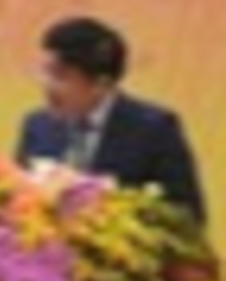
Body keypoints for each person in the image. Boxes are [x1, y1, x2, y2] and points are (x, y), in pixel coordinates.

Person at [15, 15, 206, 226]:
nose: (46, 85)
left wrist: (107, 213)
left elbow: (187, 217)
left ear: (101, 84)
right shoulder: (37, 126)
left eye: (60, 76)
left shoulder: (154, 130)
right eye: (44, 71)